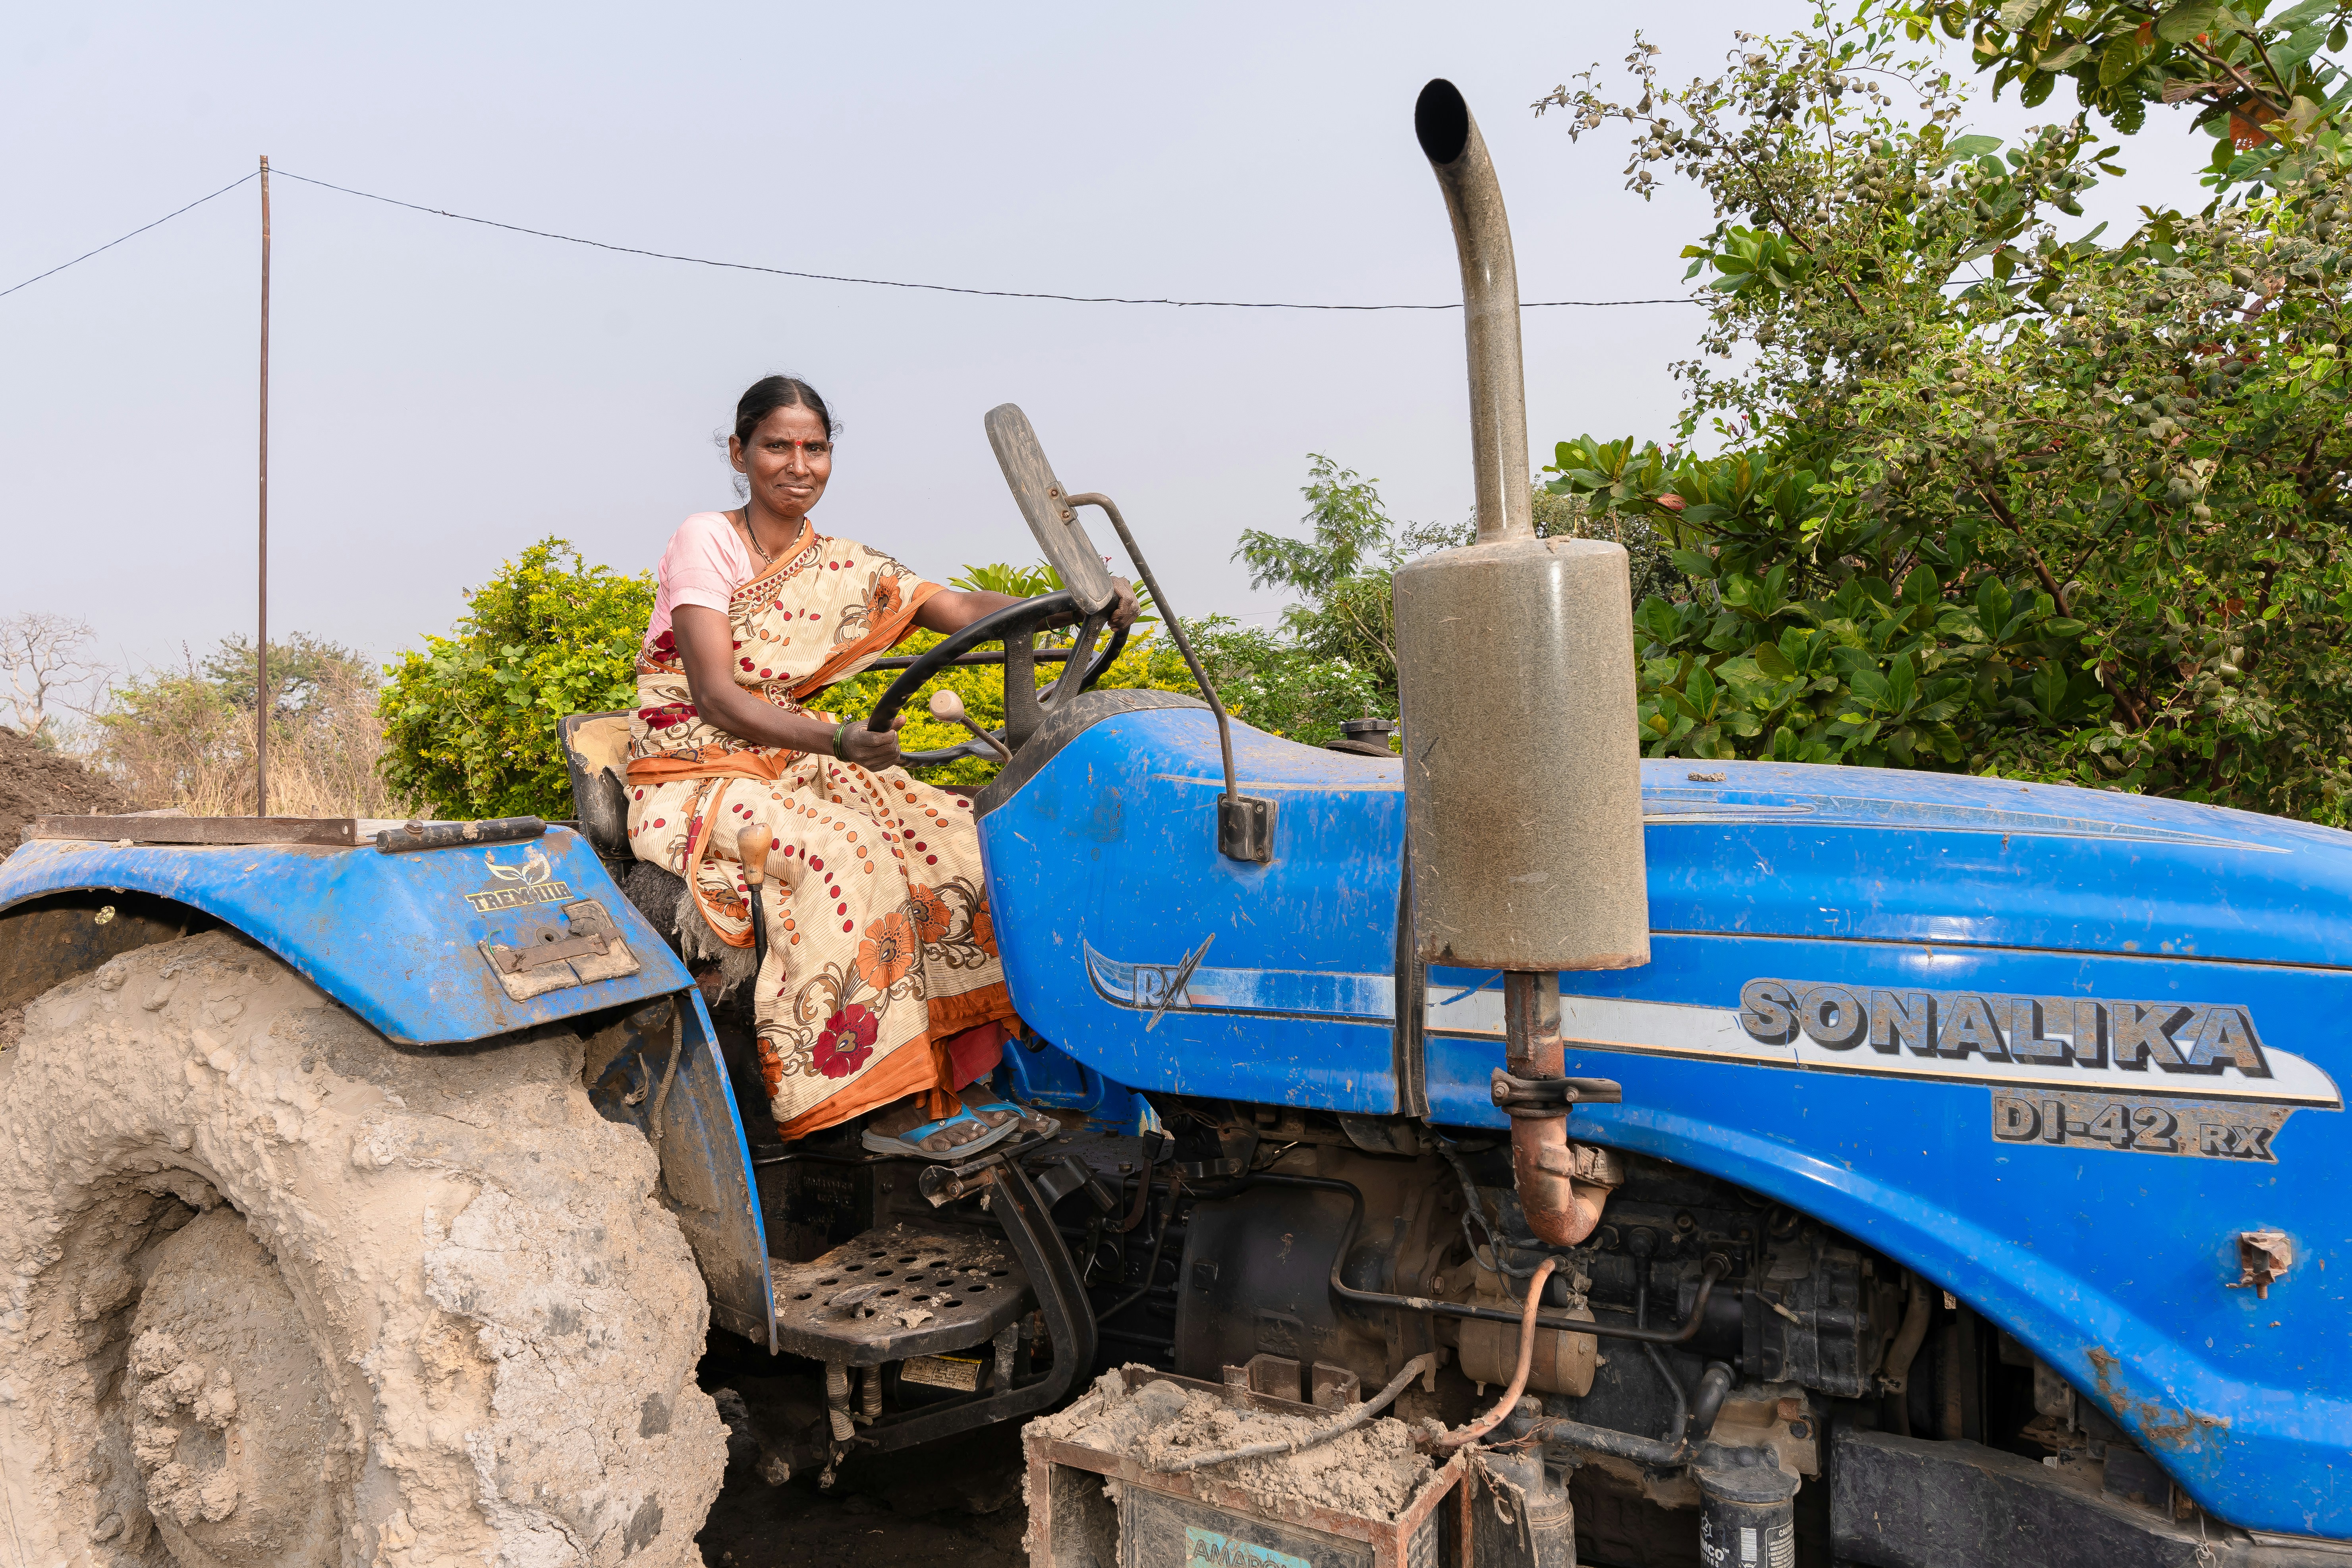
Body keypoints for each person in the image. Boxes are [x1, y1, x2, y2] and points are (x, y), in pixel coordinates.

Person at [626, 376, 1136, 1153]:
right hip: (701, 773)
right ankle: (880, 1105)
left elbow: (958, 609)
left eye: (815, 447)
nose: (798, 464)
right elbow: (717, 695)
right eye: (777, 446)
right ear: (740, 453)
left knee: (963, 831)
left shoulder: (840, 562)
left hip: (796, 760)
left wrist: (1077, 600)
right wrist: (834, 741)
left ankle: (967, 1078)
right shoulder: (709, 540)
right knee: (847, 851)